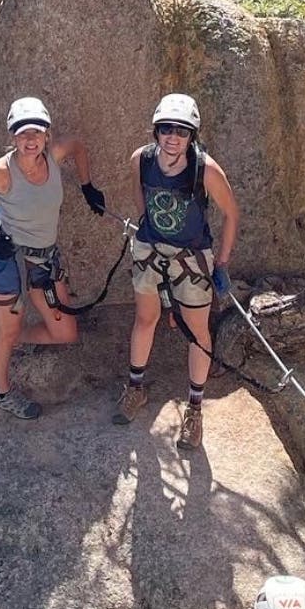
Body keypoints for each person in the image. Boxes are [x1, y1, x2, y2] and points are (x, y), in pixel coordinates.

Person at [0, 96, 105, 420]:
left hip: (43, 260)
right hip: (8, 259)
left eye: (36, 132)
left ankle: (17, 339)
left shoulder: (54, 156)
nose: (30, 139)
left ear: (46, 134)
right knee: (7, 330)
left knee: (65, 333)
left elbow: (77, 146)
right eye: (22, 133)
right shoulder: (1, 172)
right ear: (12, 137)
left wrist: (87, 186)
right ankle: (2, 393)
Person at [111, 93, 239, 449]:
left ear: (191, 135)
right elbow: (139, 194)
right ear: (156, 131)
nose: (173, 137)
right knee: (145, 319)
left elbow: (231, 213)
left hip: (191, 257)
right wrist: (147, 227)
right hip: (151, 250)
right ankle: (135, 388)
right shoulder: (141, 159)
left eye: (181, 131)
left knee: (197, 332)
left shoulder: (205, 169)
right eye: (166, 129)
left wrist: (222, 262)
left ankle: (195, 409)